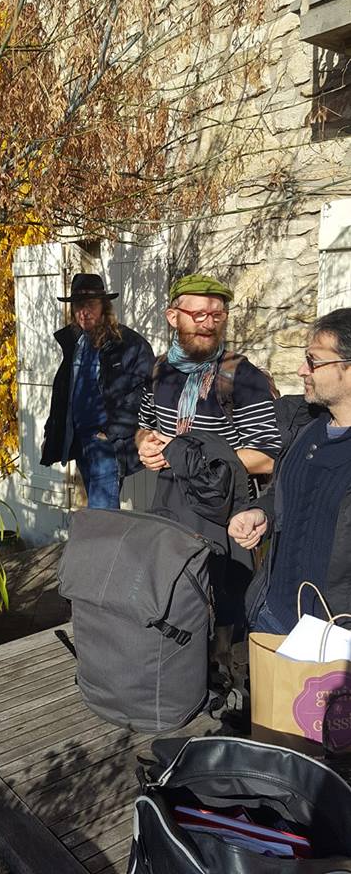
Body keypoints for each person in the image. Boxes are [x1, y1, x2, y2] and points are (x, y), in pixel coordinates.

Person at [135, 273, 281, 672]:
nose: (208, 323)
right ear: (173, 316)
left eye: (217, 315)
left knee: (227, 604)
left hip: (225, 511)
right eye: (198, 314)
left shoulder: (242, 377)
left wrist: (189, 457)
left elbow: (269, 455)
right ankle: (179, 671)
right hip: (169, 503)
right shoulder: (159, 370)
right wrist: (145, 444)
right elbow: (144, 425)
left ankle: (225, 671)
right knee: (175, 594)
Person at [229, 307, 351, 634]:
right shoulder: (306, 428)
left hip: (333, 636)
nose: (301, 370)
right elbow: (285, 494)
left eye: (313, 361)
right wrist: (261, 513)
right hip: (272, 616)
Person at [40, 272, 154, 509]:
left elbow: (145, 392)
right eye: (78, 306)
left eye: (90, 304)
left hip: (106, 444)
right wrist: (53, 432)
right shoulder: (76, 343)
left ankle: (104, 537)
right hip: (79, 440)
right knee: (97, 509)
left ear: (104, 306)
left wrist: (112, 431)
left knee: (103, 513)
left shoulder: (128, 344)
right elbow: (64, 393)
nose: (84, 312)